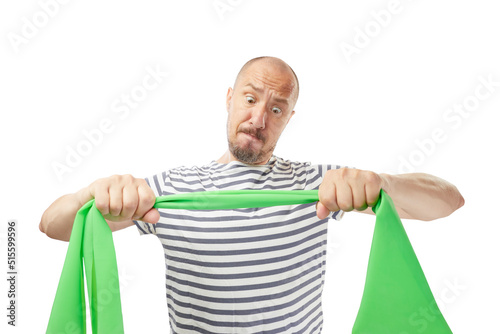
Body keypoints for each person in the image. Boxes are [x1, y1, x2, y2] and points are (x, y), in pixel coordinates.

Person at [40, 56, 464, 333]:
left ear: (289, 118)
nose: (259, 118)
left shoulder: (320, 185)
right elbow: (53, 226)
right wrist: (91, 195)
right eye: (250, 98)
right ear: (229, 100)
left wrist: (381, 184)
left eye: (277, 109)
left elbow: (449, 201)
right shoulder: (170, 190)